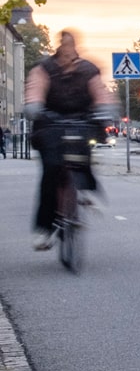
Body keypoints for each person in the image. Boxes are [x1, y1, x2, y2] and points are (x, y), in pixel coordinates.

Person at [24, 30, 116, 250]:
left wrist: (105, 109)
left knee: (83, 155)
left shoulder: (87, 69)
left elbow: (100, 92)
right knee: (51, 170)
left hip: (82, 121)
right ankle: (45, 229)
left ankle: (86, 191)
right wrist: (34, 106)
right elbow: (35, 91)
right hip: (50, 123)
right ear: (59, 48)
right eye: (64, 47)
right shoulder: (44, 69)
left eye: (71, 47)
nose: (68, 52)